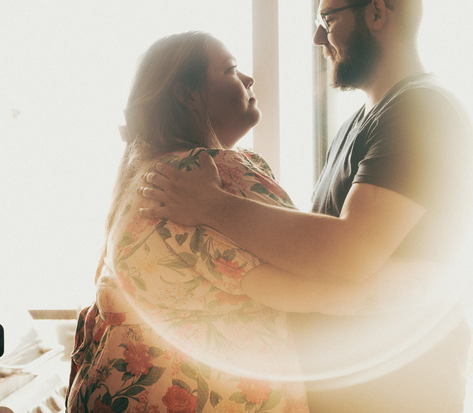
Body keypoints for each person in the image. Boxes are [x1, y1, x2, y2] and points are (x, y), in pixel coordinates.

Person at [138, 0, 473, 413]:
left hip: (398, 388)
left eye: (327, 19)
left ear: (376, 13)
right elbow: (317, 249)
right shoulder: (362, 123)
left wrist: (211, 206)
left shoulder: (420, 111)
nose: (318, 36)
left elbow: (347, 254)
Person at [67, 31, 414, 412]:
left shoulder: (141, 174)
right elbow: (313, 280)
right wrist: (422, 287)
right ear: (188, 94)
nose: (248, 79)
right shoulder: (211, 173)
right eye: (231, 70)